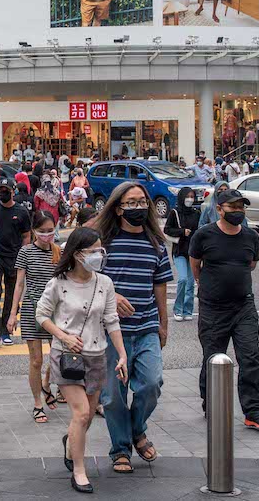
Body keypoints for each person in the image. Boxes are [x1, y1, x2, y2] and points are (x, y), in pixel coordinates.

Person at [37, 226, 127, 494]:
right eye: (93, 251)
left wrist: (121, 354)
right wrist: (63, 337)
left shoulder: (105, 283)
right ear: (77, 255)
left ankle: (70, 444)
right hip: (67, 356)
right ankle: (79, 470)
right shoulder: (59, 283)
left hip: (97, 354)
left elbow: (111, 320)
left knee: (84, 418)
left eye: (101, 250)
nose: (99, 255)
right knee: (82, 412)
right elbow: (41, 316)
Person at [91, 182, 171, 473]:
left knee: (151, 384)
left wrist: (163, 325)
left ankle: (137, 430)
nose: (138, 208)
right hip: (111, 332)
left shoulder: (156, 243)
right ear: (117, 207)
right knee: (112, 395)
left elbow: (159, 285)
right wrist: (114, 295)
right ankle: (120, 448)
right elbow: (88, 282)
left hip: (146, 326)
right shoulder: (103, 243)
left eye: (142, 202)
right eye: (131, 203)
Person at [190, 189, 259, 430]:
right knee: (213, 357)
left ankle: (254, 411)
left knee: (251, 357)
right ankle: (211, 402)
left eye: (241, 207)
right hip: (212, 308)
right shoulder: (204, 235)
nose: (238, 212)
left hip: (244, 306)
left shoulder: (250, 236)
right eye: (233, 207)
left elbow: (252, 264)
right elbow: (195, 266)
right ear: (219, 209)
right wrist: (207, 285)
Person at [7, 210, 62, 424]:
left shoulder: (59, 251)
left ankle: (47, 385)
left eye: (51, 231)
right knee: (36, 360)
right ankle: (38, 403)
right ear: (33, 231)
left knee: (58, 355)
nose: (47, 235)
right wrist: (13, 314)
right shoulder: (26, 252)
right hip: (32, 309)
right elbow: (19, 284)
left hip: (55, 311)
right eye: (42, 231)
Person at [0, 177, 32, 349]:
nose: (2, 192)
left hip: (15, 257)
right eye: (0, 189)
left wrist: (22, 254)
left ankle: (6, 330)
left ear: (13, 191)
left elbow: (27, 236)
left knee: (12, 294)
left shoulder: (22, 212)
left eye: (6, 190)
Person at [165, 186, 200, 322]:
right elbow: (167, 229)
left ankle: (187, 310)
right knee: (183, 279)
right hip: (179, 250)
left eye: (192, 197)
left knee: (191, 283)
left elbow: (199, 230)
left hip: (192, 252)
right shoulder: (175, 212)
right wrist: (182, 232)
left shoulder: (196, 213)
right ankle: (178, 309)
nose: (190, 199)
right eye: (187, 196)